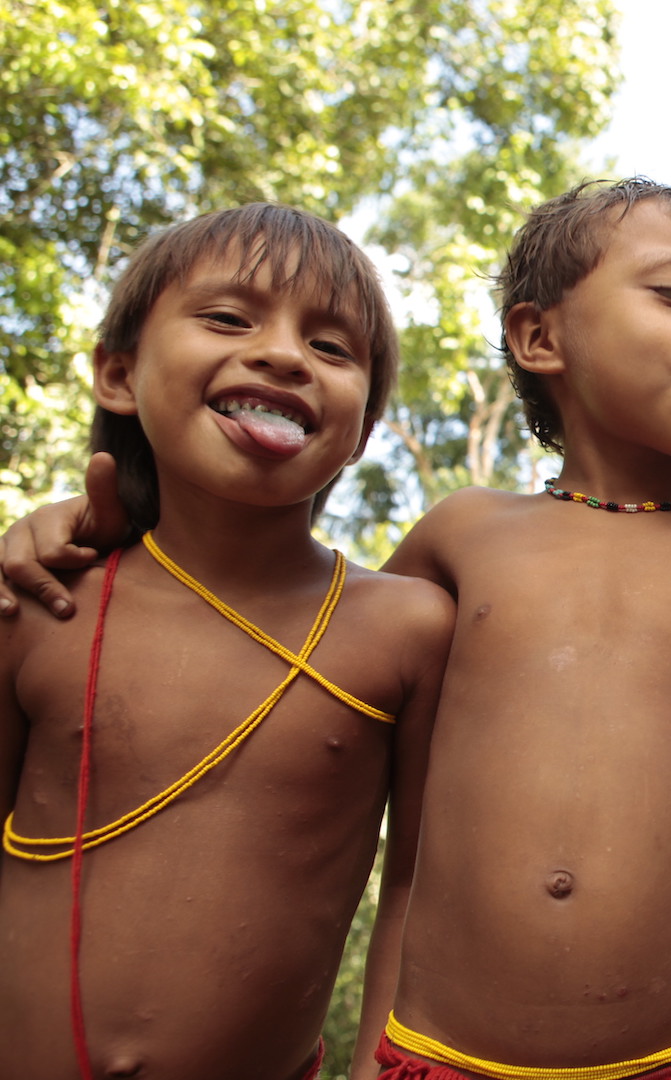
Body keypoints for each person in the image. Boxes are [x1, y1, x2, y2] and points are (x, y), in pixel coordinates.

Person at [0, 180, 671, 1080]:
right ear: (539, 338)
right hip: (446, 1053)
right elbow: (394, 810)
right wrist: (88, 516)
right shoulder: (459, 540)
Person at [0, 203, 453, 1080]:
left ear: (361, 433)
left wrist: (379, 1068)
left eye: (331, 348)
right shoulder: (46, 601)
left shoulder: (406, 631)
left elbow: (418, 886)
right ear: (119, 376)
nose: (284, 354)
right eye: (227, 319)